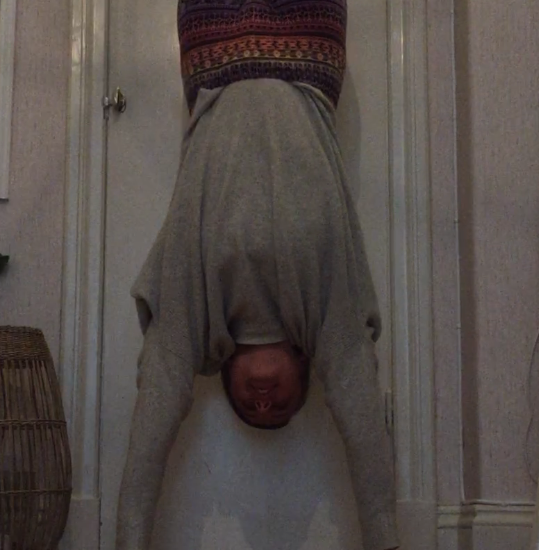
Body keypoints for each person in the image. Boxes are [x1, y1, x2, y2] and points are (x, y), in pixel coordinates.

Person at [116, 1, 400, 549]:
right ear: (306, 374)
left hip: (214, 61)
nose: (265, 401)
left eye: (251, 409)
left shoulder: (194, 324)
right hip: (309, 60)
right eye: (281, 407)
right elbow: (364, 428)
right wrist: (386, 539)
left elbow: (152, 426)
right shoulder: (329, 327)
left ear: (224, 375)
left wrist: (129, 540)